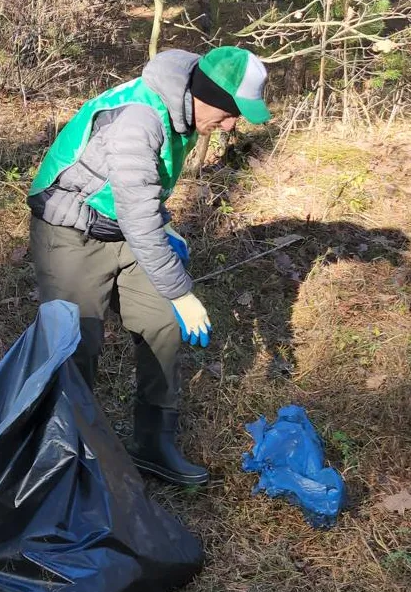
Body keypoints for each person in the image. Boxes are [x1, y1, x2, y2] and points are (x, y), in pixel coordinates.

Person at [27, 46, 271, 487]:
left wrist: (165, 225)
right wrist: (182, 291)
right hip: (71, 229)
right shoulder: (139, 121)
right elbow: (136, 212)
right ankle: (66, 456)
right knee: (76, 341)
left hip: (124, 226)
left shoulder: (187, 111)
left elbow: (142, 195)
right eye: (230, 113)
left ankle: (152, 445)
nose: (232, 125)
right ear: (206, 93)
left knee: (162, 325)